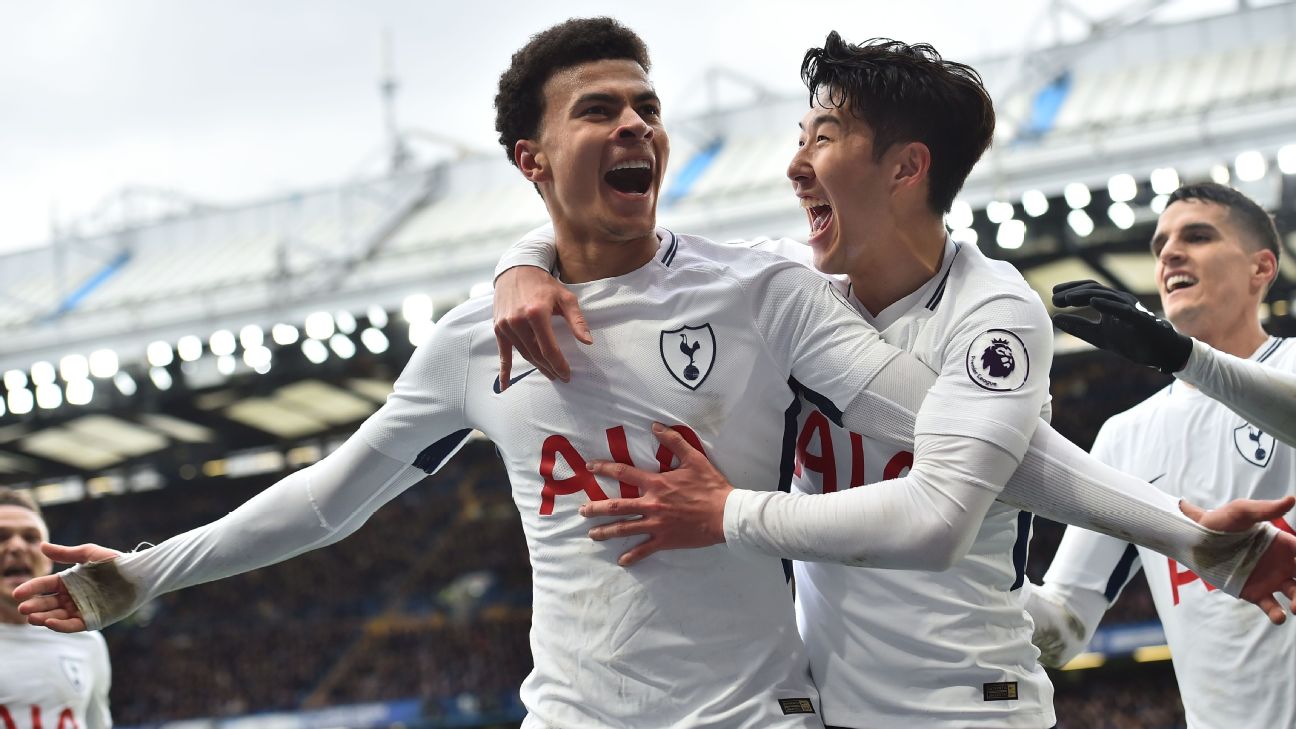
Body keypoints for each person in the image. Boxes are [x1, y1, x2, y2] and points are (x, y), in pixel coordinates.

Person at [12, 19, 1296, 729]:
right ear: (529, 157)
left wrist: (1196, 539)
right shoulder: (479, 335)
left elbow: (972, 444)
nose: (635, 125)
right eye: (598, 110)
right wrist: (147, 572)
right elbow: (334, 495)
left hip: (764, 716)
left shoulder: (763, 292)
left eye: (647, 107)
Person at [488, 36, 1296, 728]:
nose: (796, 167)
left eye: (824, 139)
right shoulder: (782, 286)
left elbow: (940, 515)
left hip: (969, 703)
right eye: (800, 137)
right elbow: (626, 241)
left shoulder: (994, 312)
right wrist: (520, 264)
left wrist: (727, 512)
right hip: (833, 703)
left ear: (906, 168)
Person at [1027, 182, 1296, 729]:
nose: (1169, 253)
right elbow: (1063, 629)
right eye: (1159, 246)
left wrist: (1185, 357)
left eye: (1197, 236)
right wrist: (975, 575)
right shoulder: (1126, 436)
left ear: (1261, 269)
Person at [0, 488, 112, 729]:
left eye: (31, 538)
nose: (16, 546)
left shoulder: (87, 642)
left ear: (49, 559)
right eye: (1, 536)